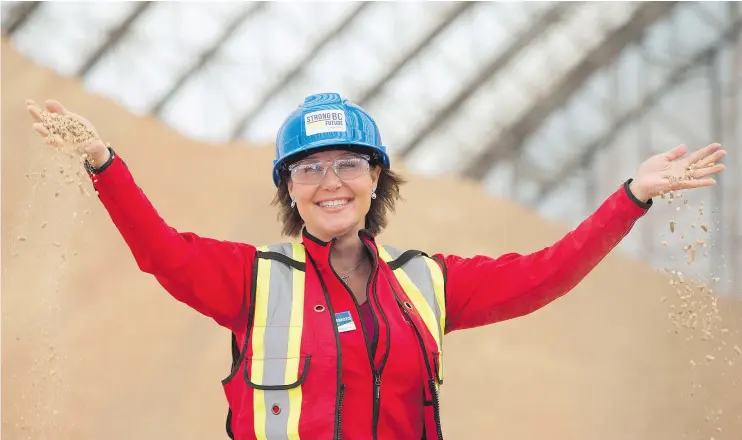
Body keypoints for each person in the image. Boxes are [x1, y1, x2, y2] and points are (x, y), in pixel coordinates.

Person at [26, 93, 726, 440]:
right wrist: (102, 164)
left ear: (376, 179)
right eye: (309, 169)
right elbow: (162, 252)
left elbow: (547, 273)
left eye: (348, 164)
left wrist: (631, 197)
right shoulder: (255, 281)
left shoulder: (430, 282)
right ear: (289, 191)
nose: (330, 182)